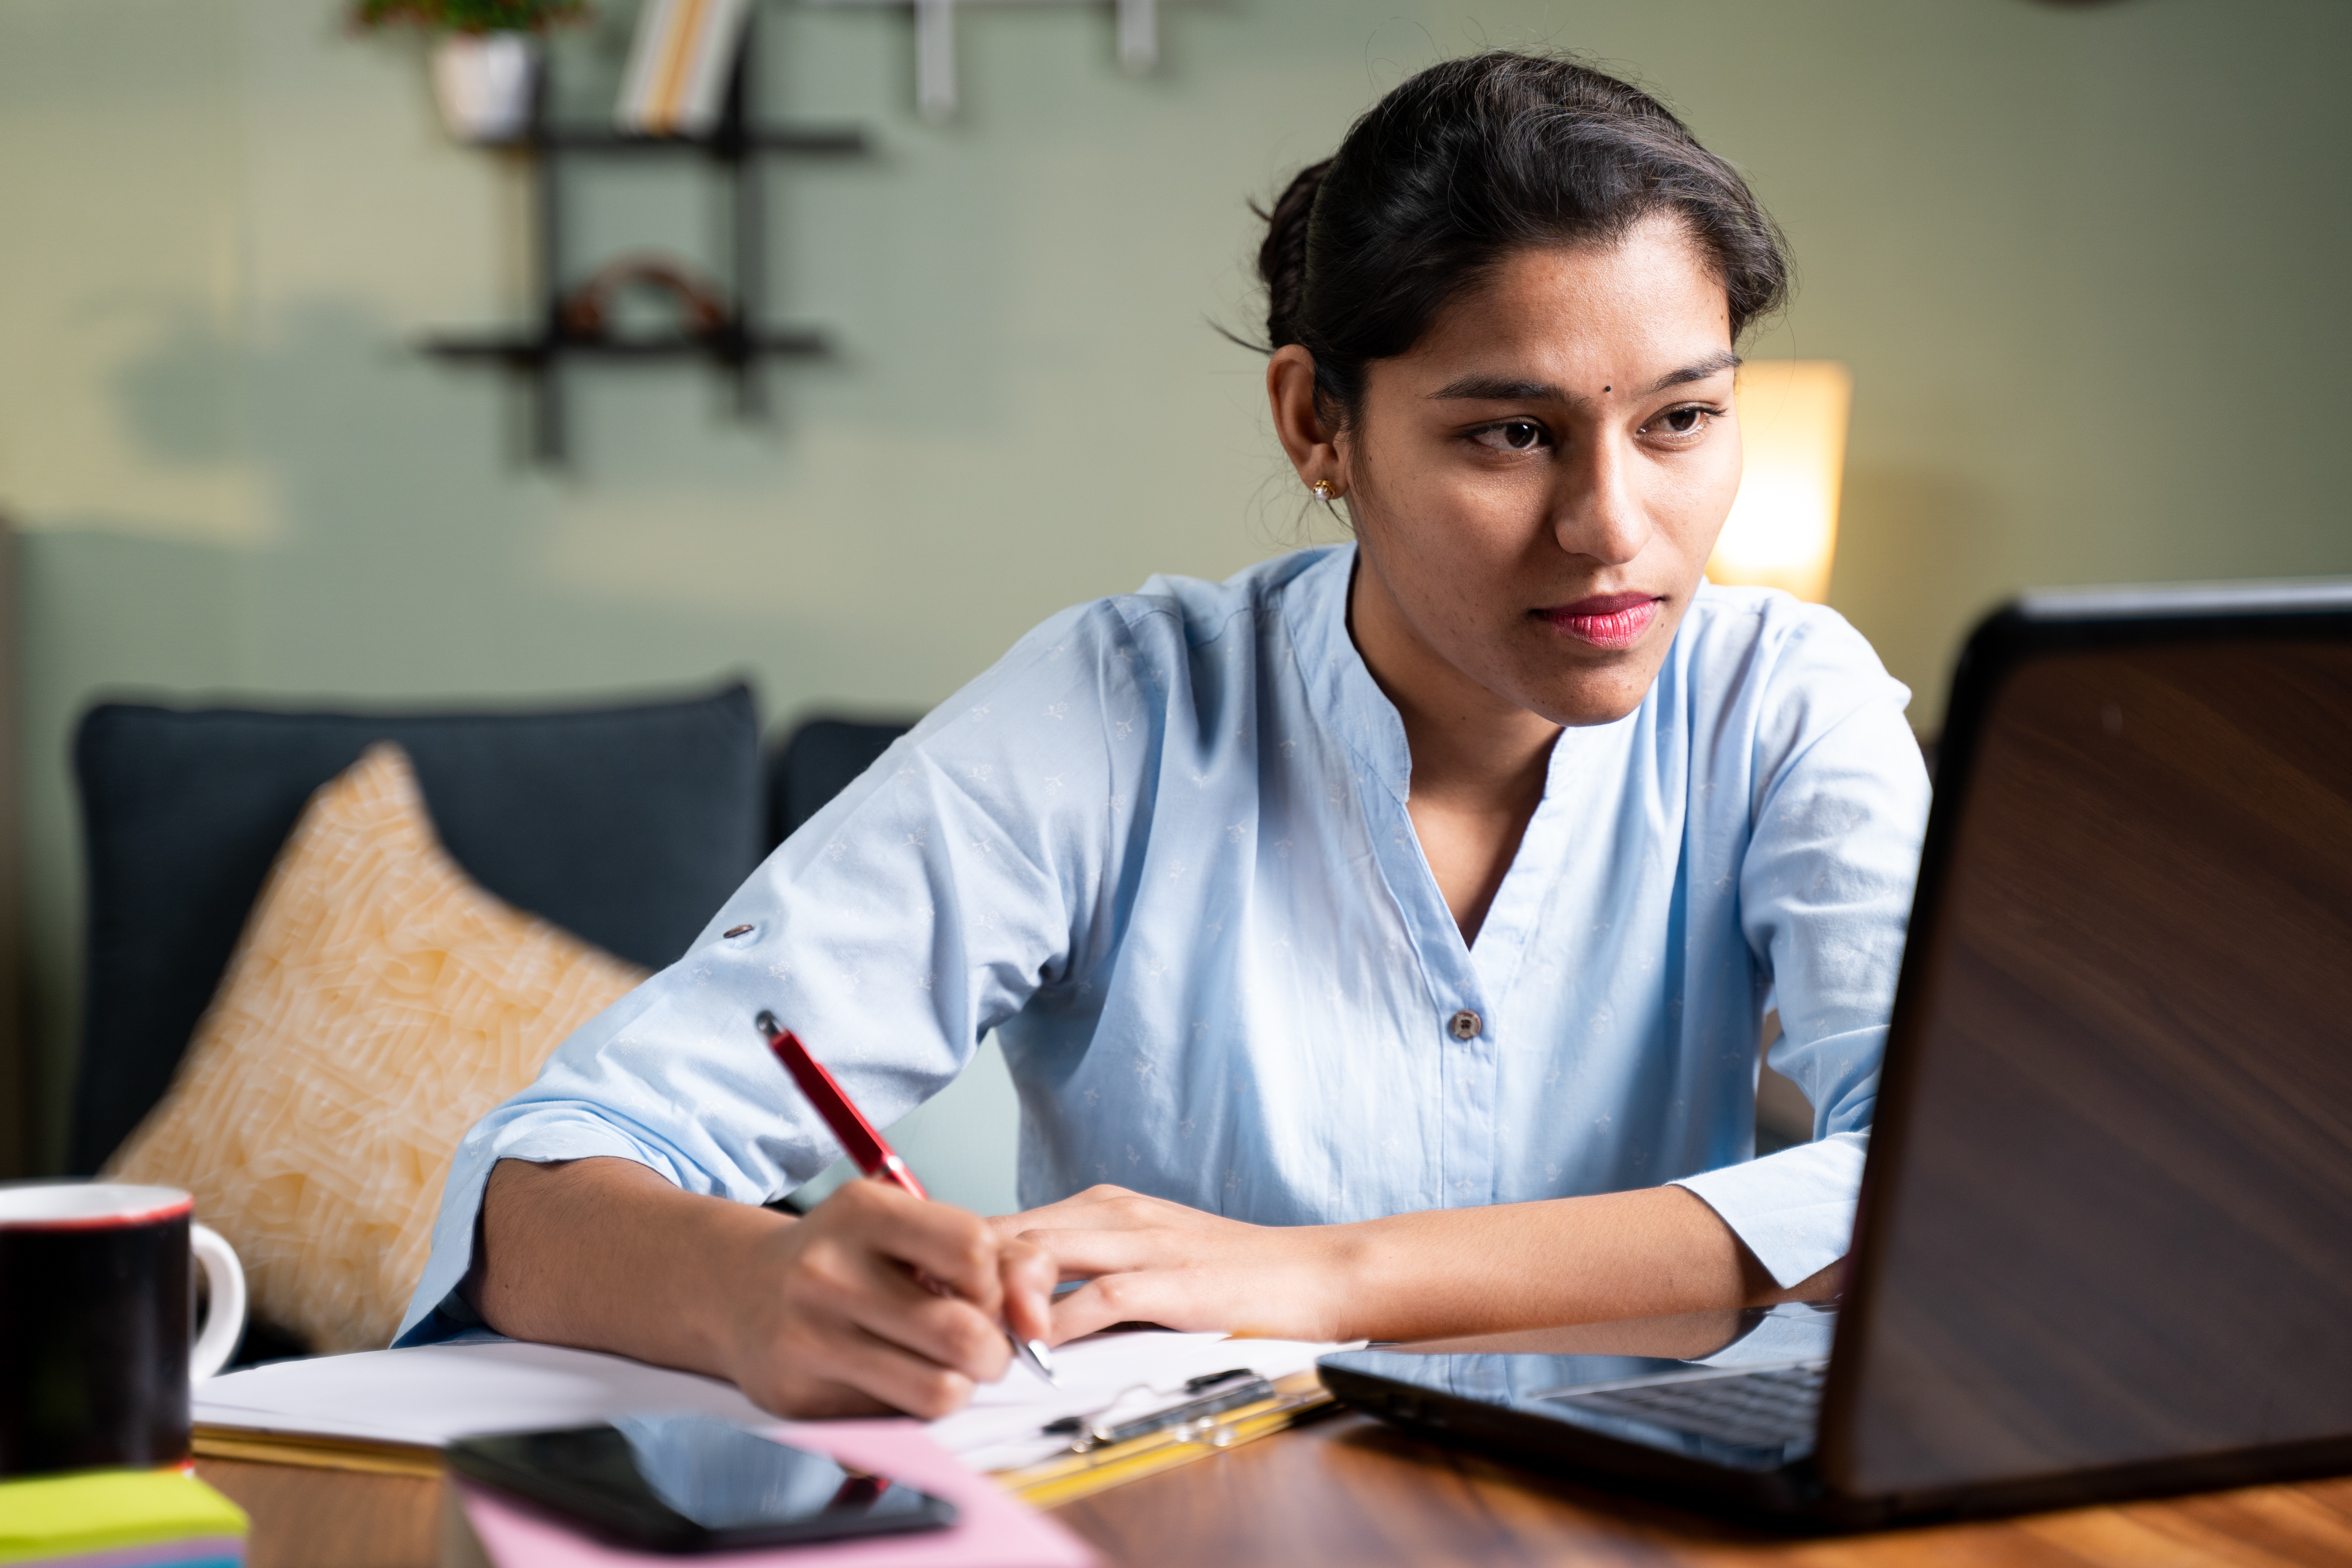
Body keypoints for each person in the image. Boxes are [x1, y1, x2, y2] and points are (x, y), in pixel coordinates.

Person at [398, 51, 1931, 1422]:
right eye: (1511, 433)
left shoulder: (1786, 701)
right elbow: (545, 1178)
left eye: (1680, 420)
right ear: (1316, 424)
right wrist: (752, 1291)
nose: (1613, 526)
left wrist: (1322, 1280)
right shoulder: (1117, 712)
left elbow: (1942, 1196)